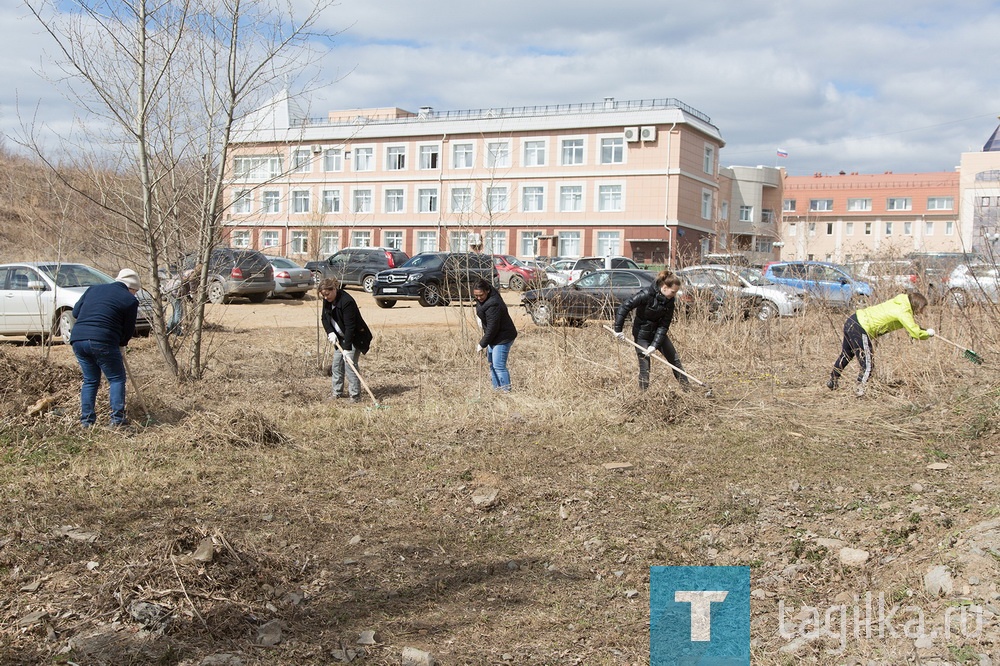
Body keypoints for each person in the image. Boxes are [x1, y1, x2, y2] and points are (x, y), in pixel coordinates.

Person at [70, 268, 141, 428]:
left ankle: (86, 422)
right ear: (131, 288)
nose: (135, 295)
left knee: (90, 380)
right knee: (116, 378)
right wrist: (122, 344)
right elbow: (129, 329)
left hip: (78, 339)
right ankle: (117, 421)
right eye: (135, 291)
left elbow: (75, 313)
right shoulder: (129, 300)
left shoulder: (93, 289)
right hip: (103, 340)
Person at [828, 291, 934, 396]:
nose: (922, 312)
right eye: (922, 308)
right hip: (861, 327)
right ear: (917, 305)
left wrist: (923, 330)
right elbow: (915, 332)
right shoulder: (903, 311)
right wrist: (928, 334)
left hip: (852, 320)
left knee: (846, 354)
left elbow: (912, 327)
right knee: (868, 364)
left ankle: (832, 380)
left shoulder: (899, 302)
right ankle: (860, 390)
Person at [612, 269, 688, 391]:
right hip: (642, 335)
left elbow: (664, 325)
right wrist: (618, 329)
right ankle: (643, 398)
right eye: (673, 292)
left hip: (658, 335)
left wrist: (654, 345)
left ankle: (687, 390)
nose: (674, 295)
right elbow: (625, 307)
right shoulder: (646, 294)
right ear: (664, 287)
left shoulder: (670, 301)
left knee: (675, 361)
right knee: (645, 367)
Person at [319, 277, 373, 403]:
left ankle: (355, 396)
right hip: (341, 337)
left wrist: (348, 349)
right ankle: (336, 392)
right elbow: (324, 319)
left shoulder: (346, 302)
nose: (326, 297)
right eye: (323, 295)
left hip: (355, 337)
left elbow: (350, 327)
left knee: (350, 364)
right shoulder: (327, 300)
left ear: (334, 289)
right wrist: (330, 332)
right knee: (337, 364)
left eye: (327, 294)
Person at [472, 279, 518, 392]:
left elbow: (493, 328)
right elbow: (482, 309)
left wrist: (482, 343)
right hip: (494, 337)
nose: (478, 298)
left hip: (503, 337)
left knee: (498, 366)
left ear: (487, 291)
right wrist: (480, 318)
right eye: (476, 295)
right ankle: (496, 391)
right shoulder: (485, 298)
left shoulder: (494, 304)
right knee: (492, 365)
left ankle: (506, 392)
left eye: (480, 295)